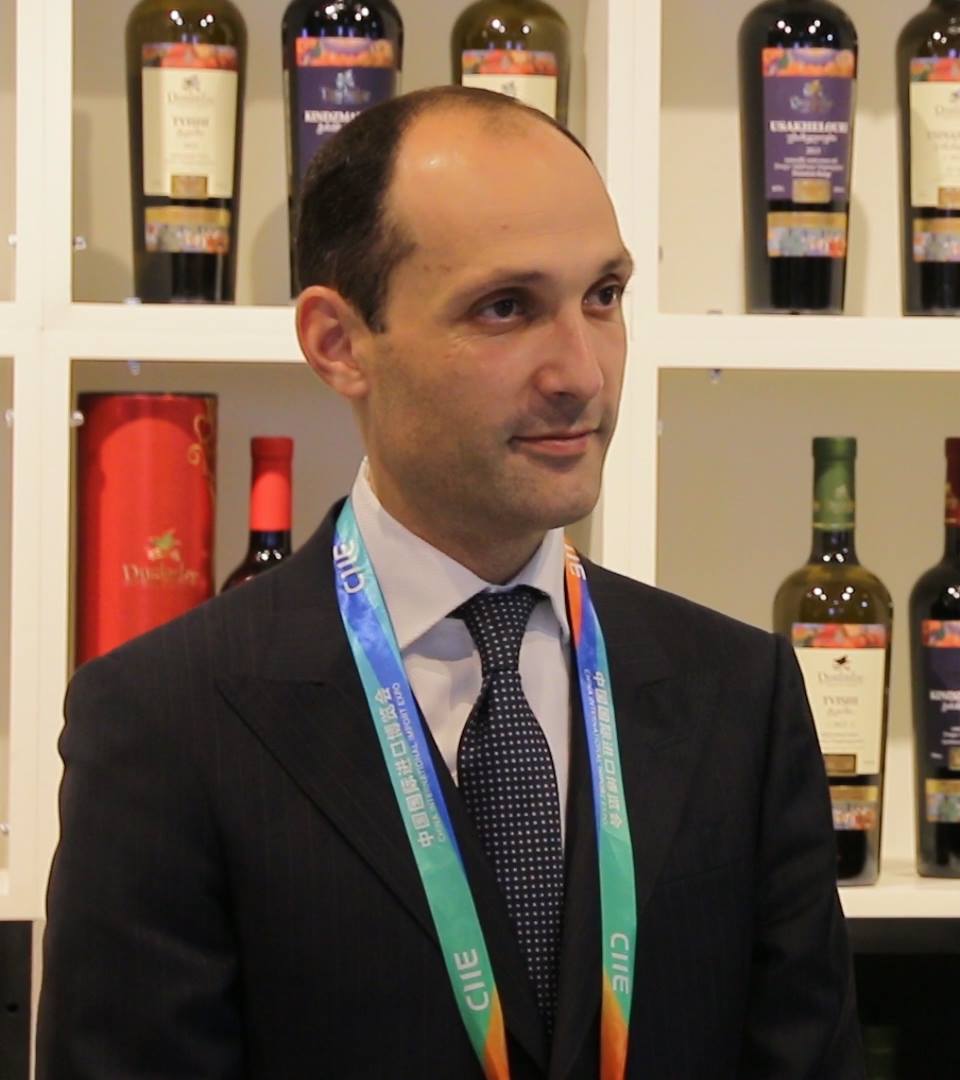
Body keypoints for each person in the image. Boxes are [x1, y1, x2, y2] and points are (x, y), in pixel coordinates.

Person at [38, 87, 861, 1079]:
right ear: (339, 344)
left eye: (603, 297)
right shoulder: (165, 724)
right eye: (506, 308)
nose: (582, 373)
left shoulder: (740, 695)